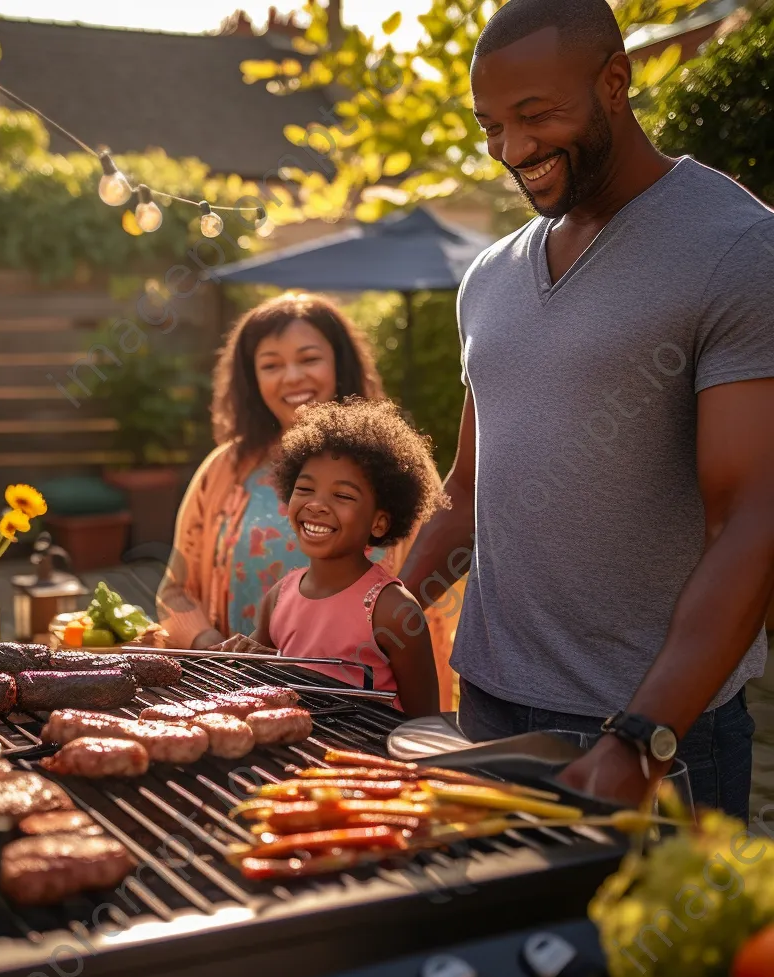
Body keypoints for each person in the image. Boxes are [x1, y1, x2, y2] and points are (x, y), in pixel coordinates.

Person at [401, 0, 774, 818]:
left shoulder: (739, 249)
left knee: (650, 950)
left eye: (536, 116)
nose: (512, 150)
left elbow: (753, 520)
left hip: (651, 732)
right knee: (502, 949)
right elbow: (470, 495)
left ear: (615, 80)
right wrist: (393, 602)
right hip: (487, 712)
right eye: (490, 125)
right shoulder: (488, 279)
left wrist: (646, 735)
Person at [157, 291, 455, 707]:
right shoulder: (223, 469)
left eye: (309, 358)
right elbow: (175, 590)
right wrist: (214, 647)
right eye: (271, 365)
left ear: (339, 364)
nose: (292, 376)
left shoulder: (392, 469)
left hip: (368, 711)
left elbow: (434, 604)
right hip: (242, 697)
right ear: (252, 379)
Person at [216, 399, 445, 716]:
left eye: (342, 496)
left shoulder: (393, 610)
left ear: (379, 521)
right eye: (305, 489)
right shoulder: (278, 598)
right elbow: (264, 684)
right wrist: (243, 657)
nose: (316, 505)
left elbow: (426, 722)